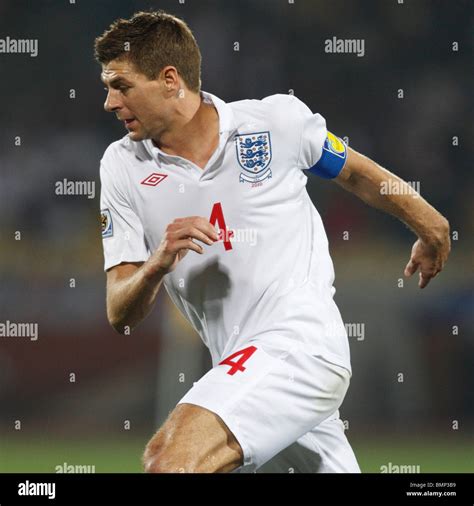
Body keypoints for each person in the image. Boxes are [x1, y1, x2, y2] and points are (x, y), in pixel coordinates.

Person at [95, 10, 450, 473]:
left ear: (169, 79)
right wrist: (158, 262)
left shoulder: (274, 123)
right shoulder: (121, 167)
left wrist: (432, 226)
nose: (108, 101)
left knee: (170, 461)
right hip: (242, 368)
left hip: (300, 344)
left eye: (120, 85)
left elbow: (358, 175)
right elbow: (120, 313)